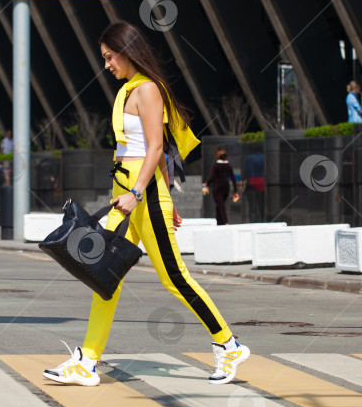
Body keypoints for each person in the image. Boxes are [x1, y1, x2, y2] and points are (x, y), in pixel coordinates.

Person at [42, 21, 249, 387]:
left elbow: (156, 147)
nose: (106, 65)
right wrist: (148, 194)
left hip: (140, 194)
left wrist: (146, 194)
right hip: (129, 191)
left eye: (110, 57)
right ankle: (87, 361)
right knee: (104, 274)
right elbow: (145, 151)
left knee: (173, 277)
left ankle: (227, 343)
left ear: (127, 50)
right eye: (104, 58)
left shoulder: (148, 90)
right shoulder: (129, 90)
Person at [203, 148, 239, 225]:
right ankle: (219, 222)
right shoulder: (228, 165)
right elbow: (233, 178)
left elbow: (212, 177)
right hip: (226, 187)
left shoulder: (216, 165)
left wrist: (207, 183)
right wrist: (236, 191)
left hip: (217, 187)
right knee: (219, 205)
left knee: (221, 205)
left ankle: (225, 222)